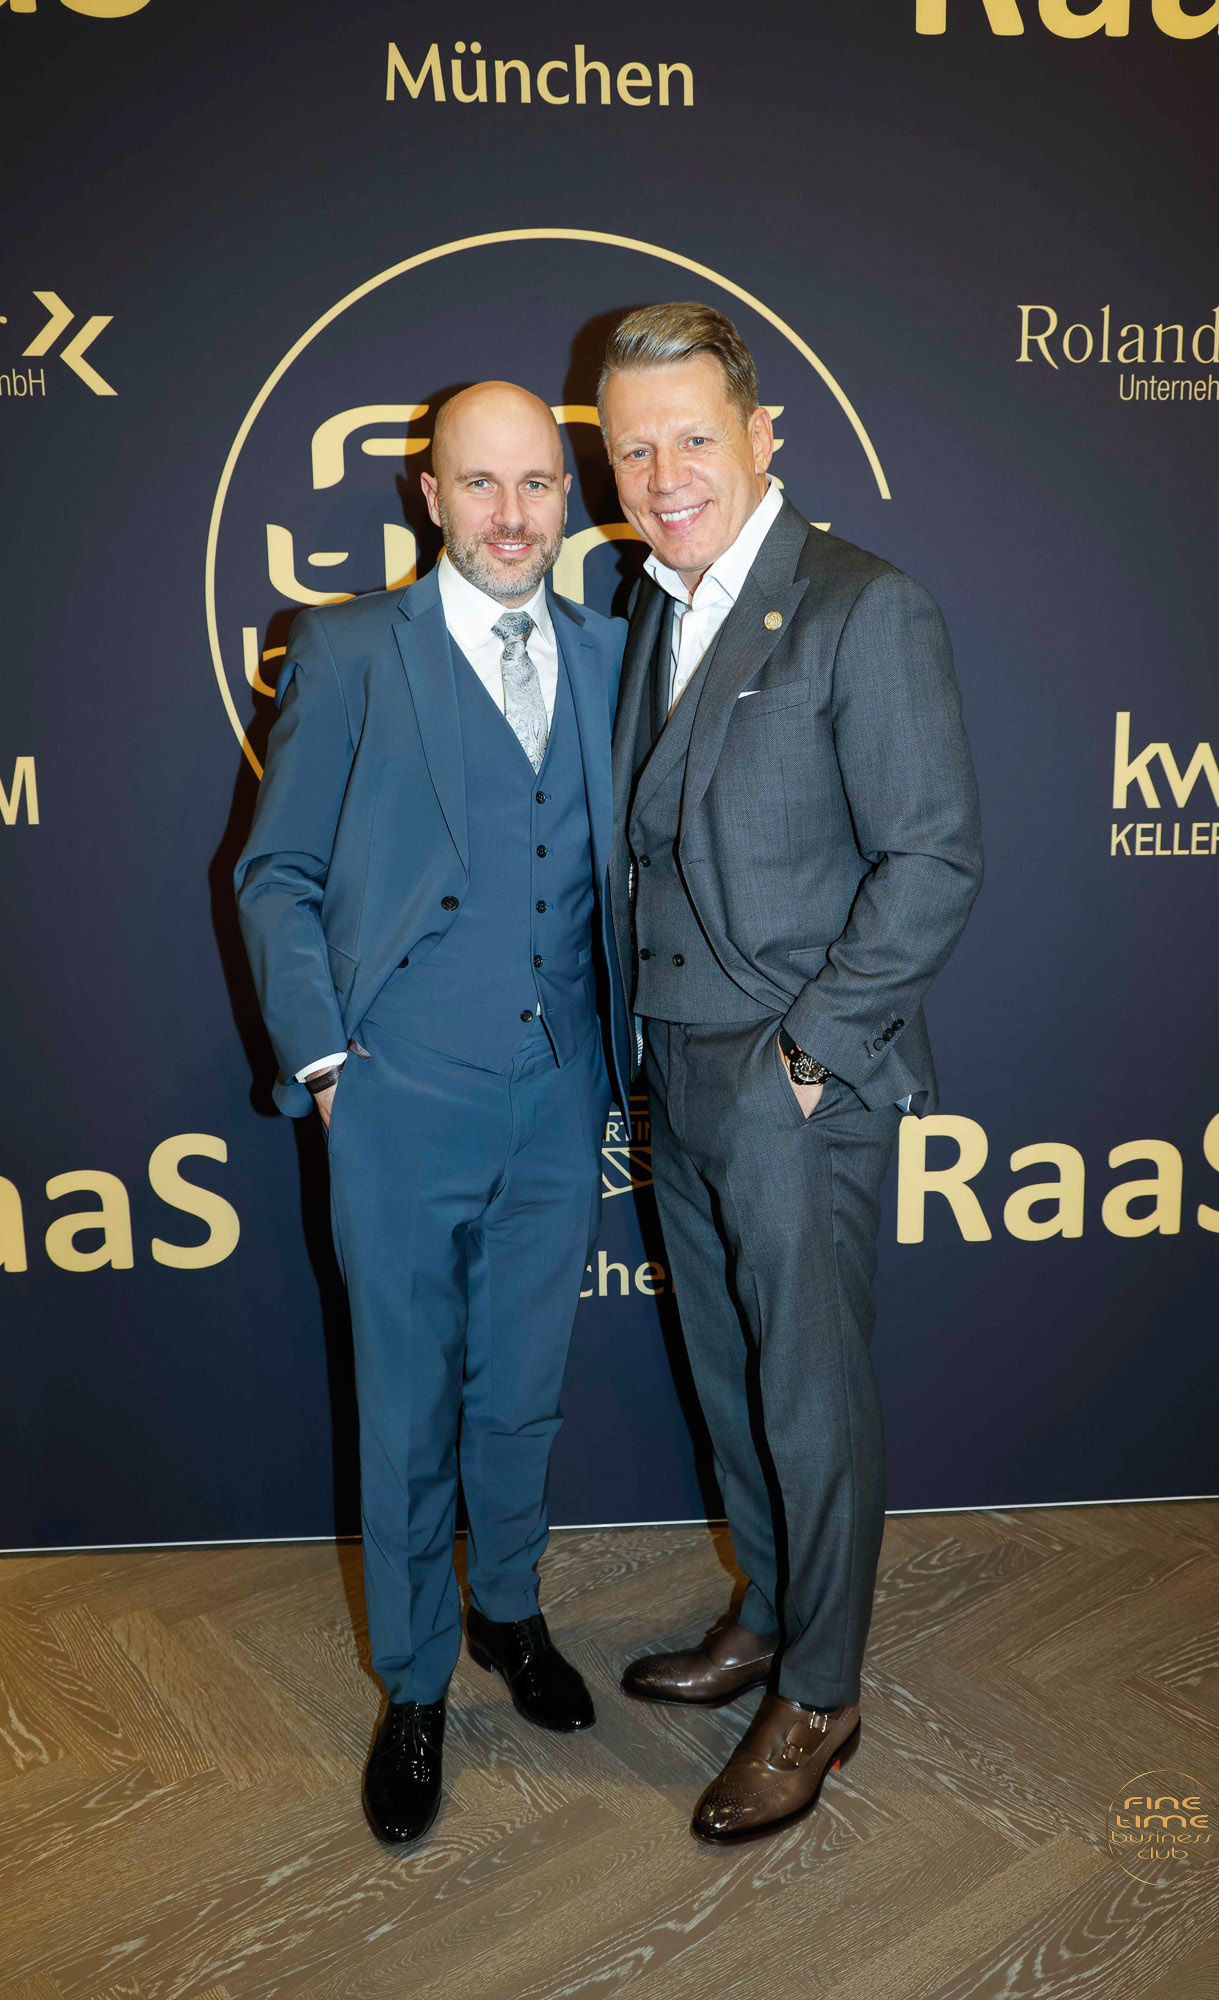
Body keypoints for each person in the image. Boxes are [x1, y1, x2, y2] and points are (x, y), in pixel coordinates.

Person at [600, 304, 982, 1842]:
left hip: (787, 1078)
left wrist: (810, 1054)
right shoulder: (654, 605)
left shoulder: (860, 606)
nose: (663, 474)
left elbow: (932, 859)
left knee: (810, 1400)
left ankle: (820, 1693)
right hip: (673, 1067)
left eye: (693, 437)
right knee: (727, 1379)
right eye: (632, 448)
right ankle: (766, 1616)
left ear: (762, 437)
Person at [235, 381, 630, 1848]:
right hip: (398, 1093)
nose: (513, 516)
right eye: (481, 484)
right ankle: (412, 1685)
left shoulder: (611, 653)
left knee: (522, 1384)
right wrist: (329, 1063)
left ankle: (507, 1611)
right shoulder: (349, 648)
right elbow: (275, 872)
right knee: (405, 1402)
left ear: (567, 496)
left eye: (537, 484)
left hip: (559, 1092)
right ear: (428, 494)